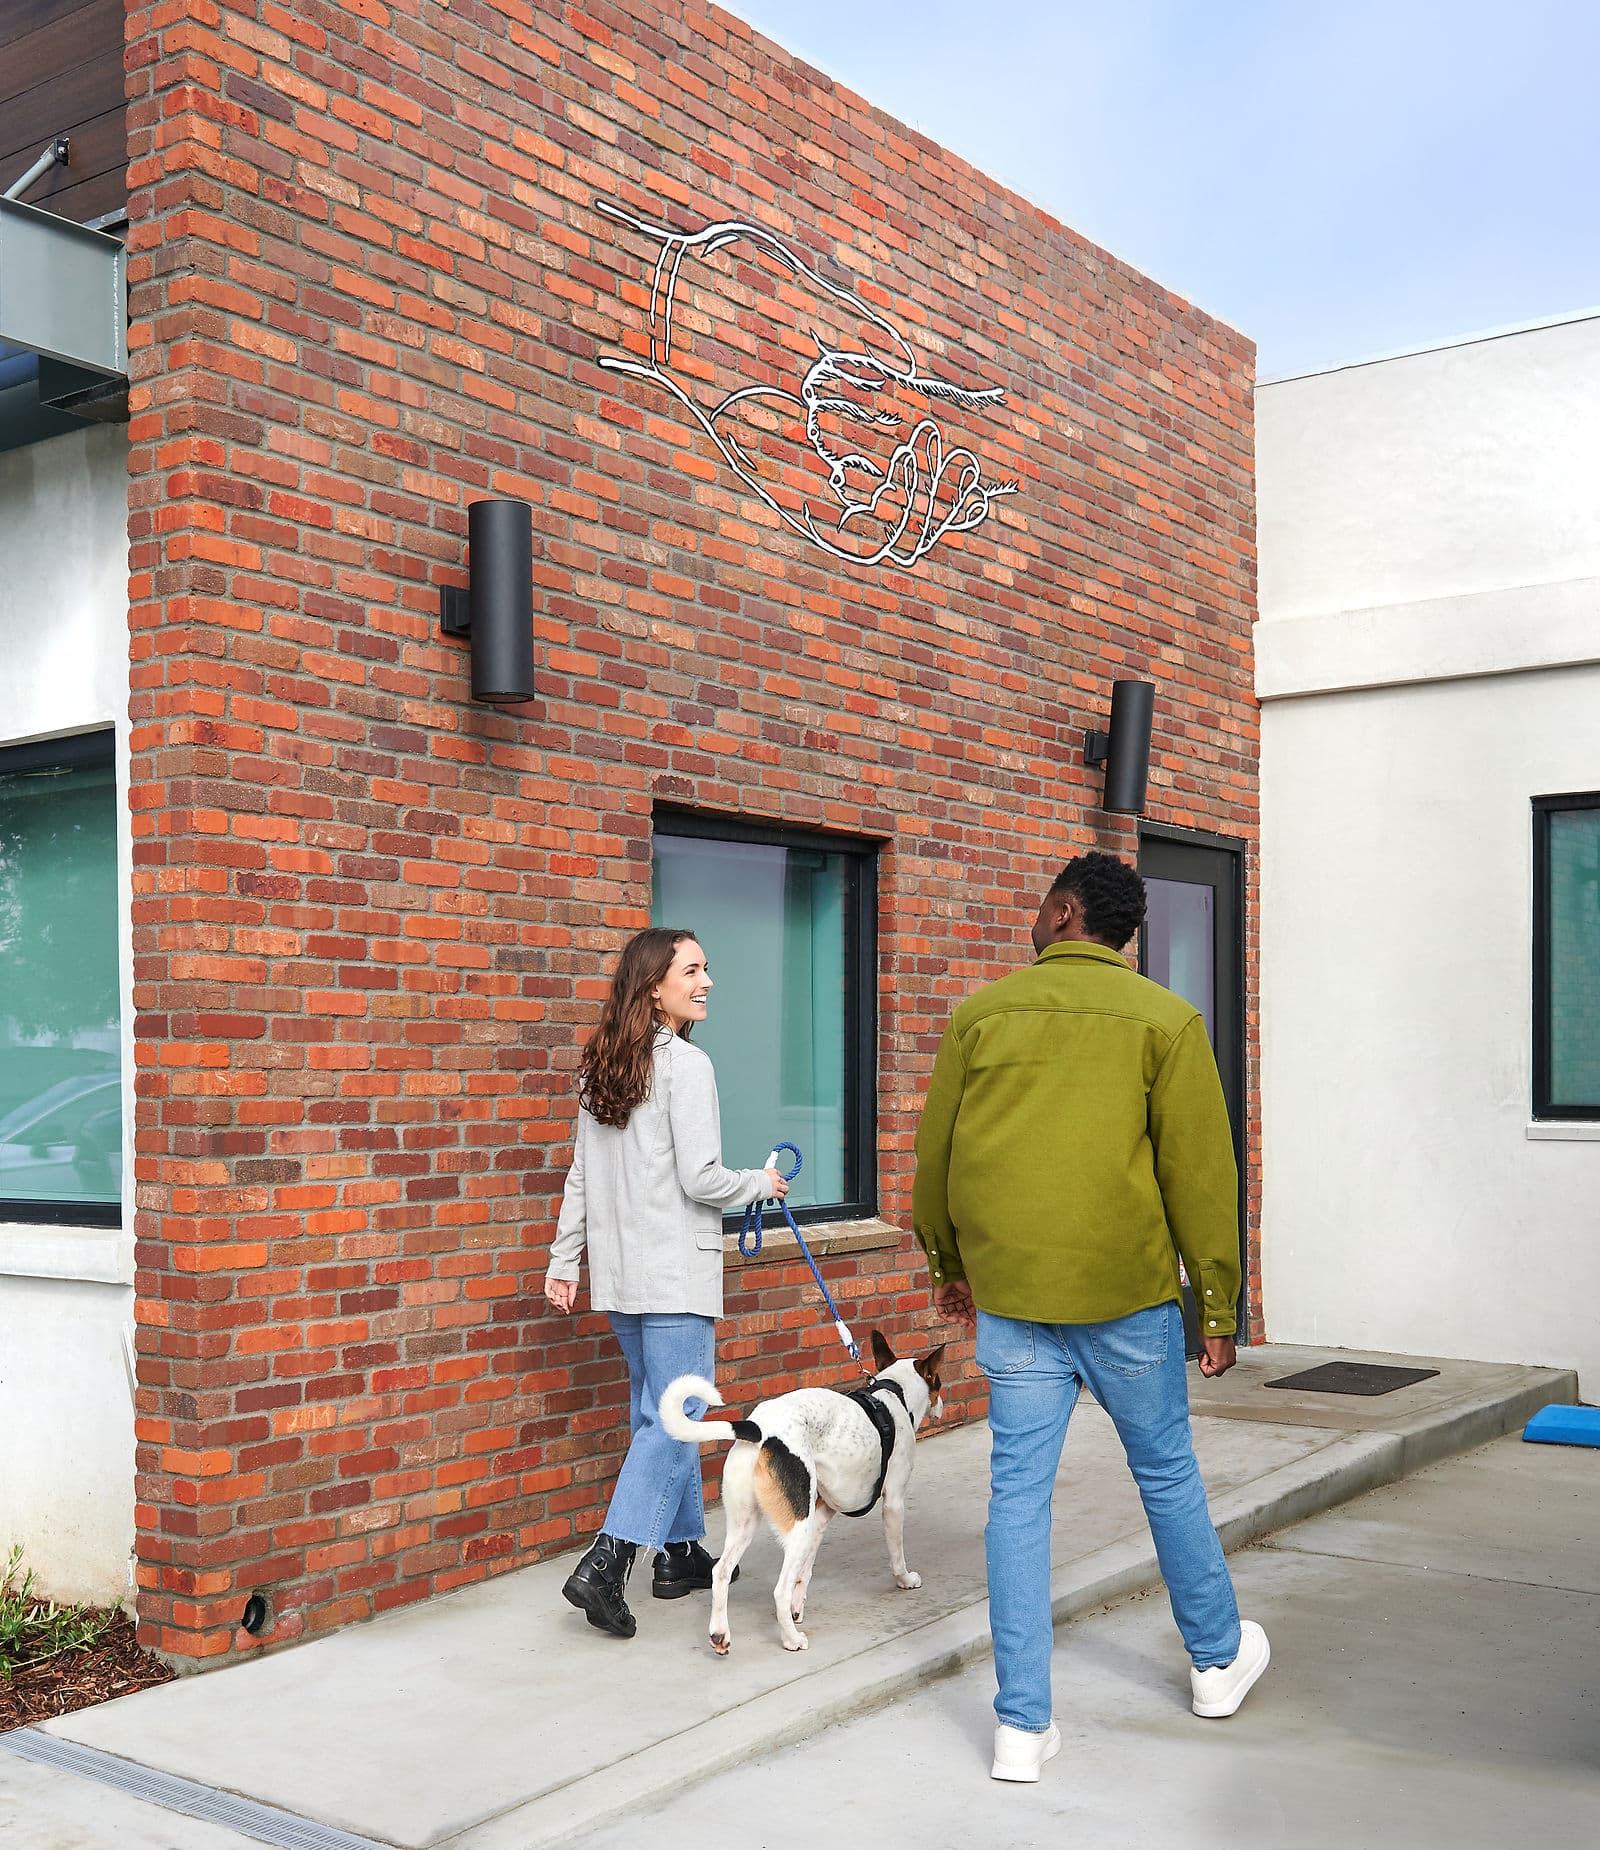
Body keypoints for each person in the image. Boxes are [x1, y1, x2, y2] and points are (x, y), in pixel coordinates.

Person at [912, 851, 1269, 1783]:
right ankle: (1218, 1663)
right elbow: (1202, 1175)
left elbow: (934, 1163)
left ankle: (1021, 1727)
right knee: (1166, 1476)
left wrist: (951, 1263)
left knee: (1017, 1502)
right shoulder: (1167, 1020)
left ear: (1065, 912)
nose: (1033, 919)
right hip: (1128, 1300)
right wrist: (1220, 1305)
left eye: (1040, 906)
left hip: (1018, 1302)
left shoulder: (980, 1017)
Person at [544, 926, 787, 1639]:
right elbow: (702, 1179)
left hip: (621, 1277)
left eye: (706, 968)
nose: (707, 981)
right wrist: (761, 1184)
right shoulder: (686, 1065)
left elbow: (581, 1176)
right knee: (675, 1421)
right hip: (675, 1275)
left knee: (657, 1415)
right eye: (693, 970)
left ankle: (679, 1555)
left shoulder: (601, 1064)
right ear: (655, 985)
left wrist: (565, 1262)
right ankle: (607, 1562)